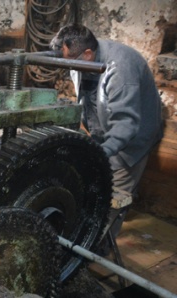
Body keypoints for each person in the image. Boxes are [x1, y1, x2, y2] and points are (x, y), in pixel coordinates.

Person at [50, 24, 163, 249]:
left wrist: (98, 153)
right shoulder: (82, 57)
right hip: (103, 133)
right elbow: (88, 100)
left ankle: (96, 251)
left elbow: (126, 126)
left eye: (70, 63)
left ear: (88, 55)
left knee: (110, 202)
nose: (68, 67)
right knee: (95, 186)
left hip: (131, 143)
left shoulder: (121, 70)